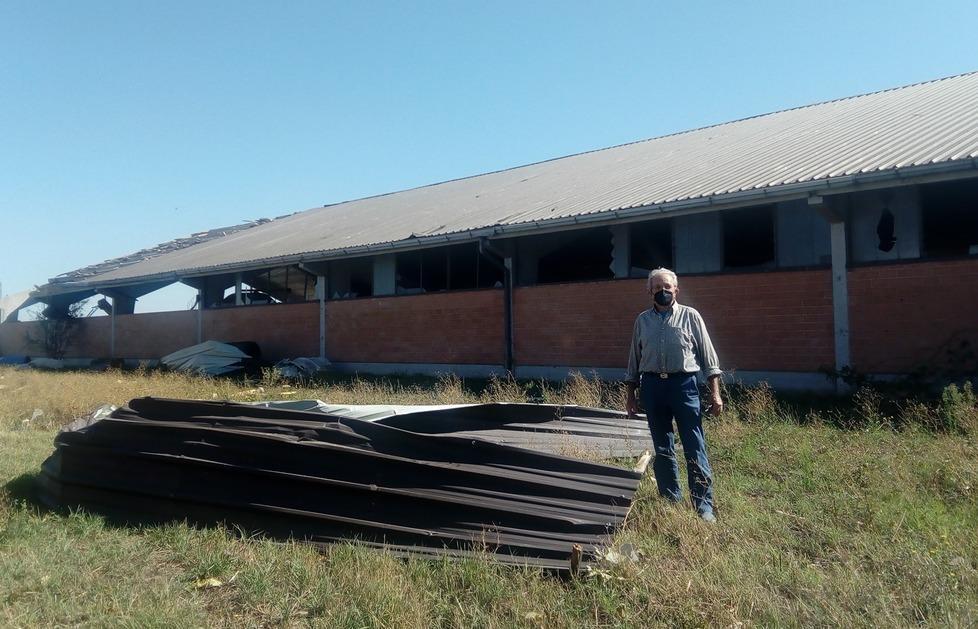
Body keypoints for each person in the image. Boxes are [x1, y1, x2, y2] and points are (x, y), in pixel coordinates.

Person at [625, 267, 723, 522]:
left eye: (667, 287)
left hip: (684, 386)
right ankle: (670, 498)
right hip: (652, 387)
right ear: (649, 292)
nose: (663, 291)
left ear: (676, 290)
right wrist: (631, 395)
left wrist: (715, 394)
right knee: (662, 446)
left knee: (694, 445)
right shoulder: (642, 321)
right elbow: (634, 360)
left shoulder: (691, 316)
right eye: (657, 288)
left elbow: (709, 358)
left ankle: (703, 507)